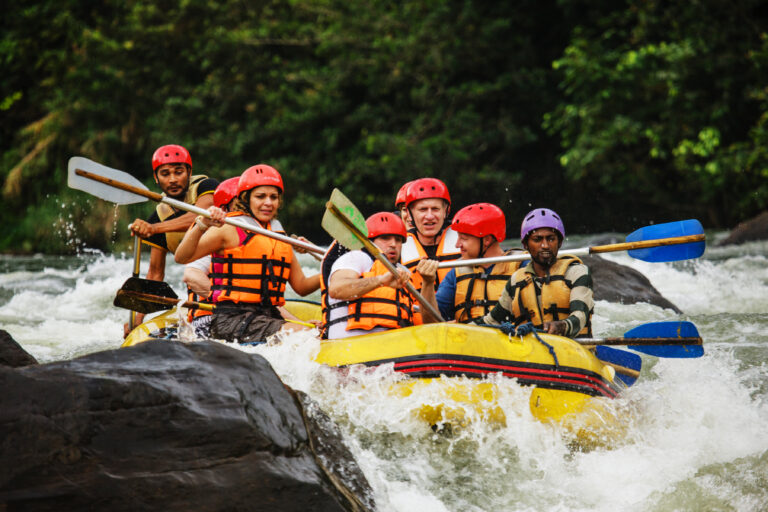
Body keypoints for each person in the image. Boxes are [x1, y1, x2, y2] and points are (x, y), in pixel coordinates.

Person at [174, 164, 320, 343]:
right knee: (304, 335)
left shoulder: (278, 234)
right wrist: (202, 224)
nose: (268, 202)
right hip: (232, 319)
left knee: (314, 333)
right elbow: (181, 257)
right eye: (260, 196)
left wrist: (328, 271)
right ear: (246, 198)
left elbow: (302, 287)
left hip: (266, 316)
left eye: (273, 197)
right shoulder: (230, 227)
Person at [125, 144, 218, 335]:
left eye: (179, 172)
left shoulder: (206, 187)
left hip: (231, 278)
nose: (173, 179)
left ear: (189, 172)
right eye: (165, 174)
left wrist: (153, 229)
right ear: (156, 179)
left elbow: (200, 215)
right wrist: (136, 321)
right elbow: (155, 274)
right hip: (201, 290)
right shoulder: (158, 217)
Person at [324, 212, 438, 340]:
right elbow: (336, 289)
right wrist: (380, 281)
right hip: (350, 345)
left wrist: (428, 282)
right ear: (370, 242)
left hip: (393, 347)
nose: (393, 244)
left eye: (398, 240)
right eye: (385, 238)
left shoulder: (404, 273)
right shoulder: (357, 258)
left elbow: (432, 328)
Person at [482, 208, 594, 337]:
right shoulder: (516, 280)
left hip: (573, 350)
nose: (545, 245)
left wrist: (562, 325)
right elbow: (491, 321)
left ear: (560, 242)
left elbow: (580, 316)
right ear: (525, 244)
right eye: (537, 239)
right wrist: (460, 329)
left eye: (551, 239)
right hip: (531, 351)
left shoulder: (577, 273)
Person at [420, 203, 522, 323]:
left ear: (487, 240)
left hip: (511, 339)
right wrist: (427, 283)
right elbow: (431, 323)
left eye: (463, 238)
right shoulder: (456, 273)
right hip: (468, 340)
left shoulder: (521, 266)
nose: (457, 245)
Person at [182, 176, 240, 338]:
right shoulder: (213, 234)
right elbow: (191, 275)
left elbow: (265, 297)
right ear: (224, 208)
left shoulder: (258, 237)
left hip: (246, 317)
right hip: (210, 316)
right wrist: (231, 303)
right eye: (240, 205)